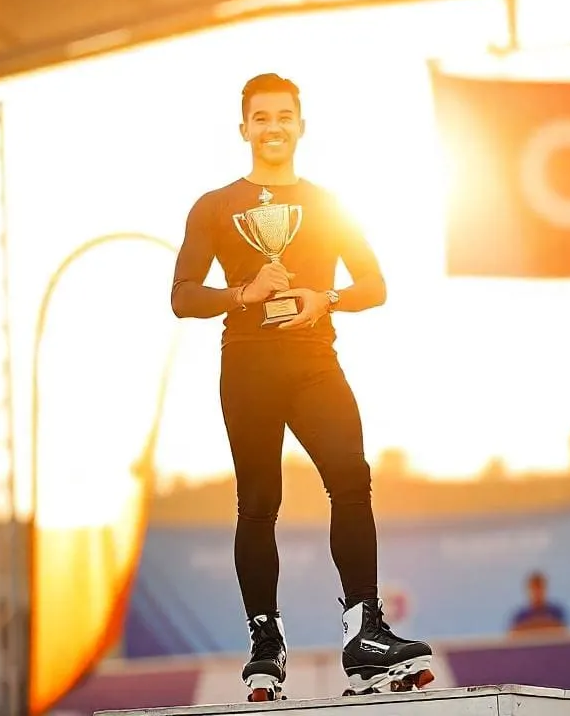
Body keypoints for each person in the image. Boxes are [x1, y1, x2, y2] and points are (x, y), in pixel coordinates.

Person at [170, 73, 433, 701]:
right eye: (261, 118)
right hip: (249, 365)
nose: (273, 127)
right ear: (244, 130)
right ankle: (265, 642)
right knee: (259, 503)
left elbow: (375, 284)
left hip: (317, 362)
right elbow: (181, 296)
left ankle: (364, 631)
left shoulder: (329, 203)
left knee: (351, 476)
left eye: (284, 116)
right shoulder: (213, 205)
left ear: (301, 125)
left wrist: (327, 298)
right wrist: (242, 294)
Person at [508, 571, 569, 636]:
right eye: (534, 588)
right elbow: (512, 635)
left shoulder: (556, 612)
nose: (537, 592)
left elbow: (564, 631)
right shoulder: (520, 616)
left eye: (540, 588)